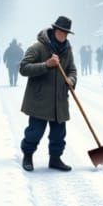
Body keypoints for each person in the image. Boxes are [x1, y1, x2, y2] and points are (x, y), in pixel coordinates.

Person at [19, 15, 77, 172]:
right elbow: (23, 68)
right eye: (62, 32)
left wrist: (71, 80)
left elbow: (72, 69)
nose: (64, 36)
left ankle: (55, 159)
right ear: (55, 30)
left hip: (59, 100)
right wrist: (46, 65)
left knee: (59, 134)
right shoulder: (38, 47)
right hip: (40, 100)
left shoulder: (67, 49)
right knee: (34, 132)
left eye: (66, 33)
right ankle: (28, 155)